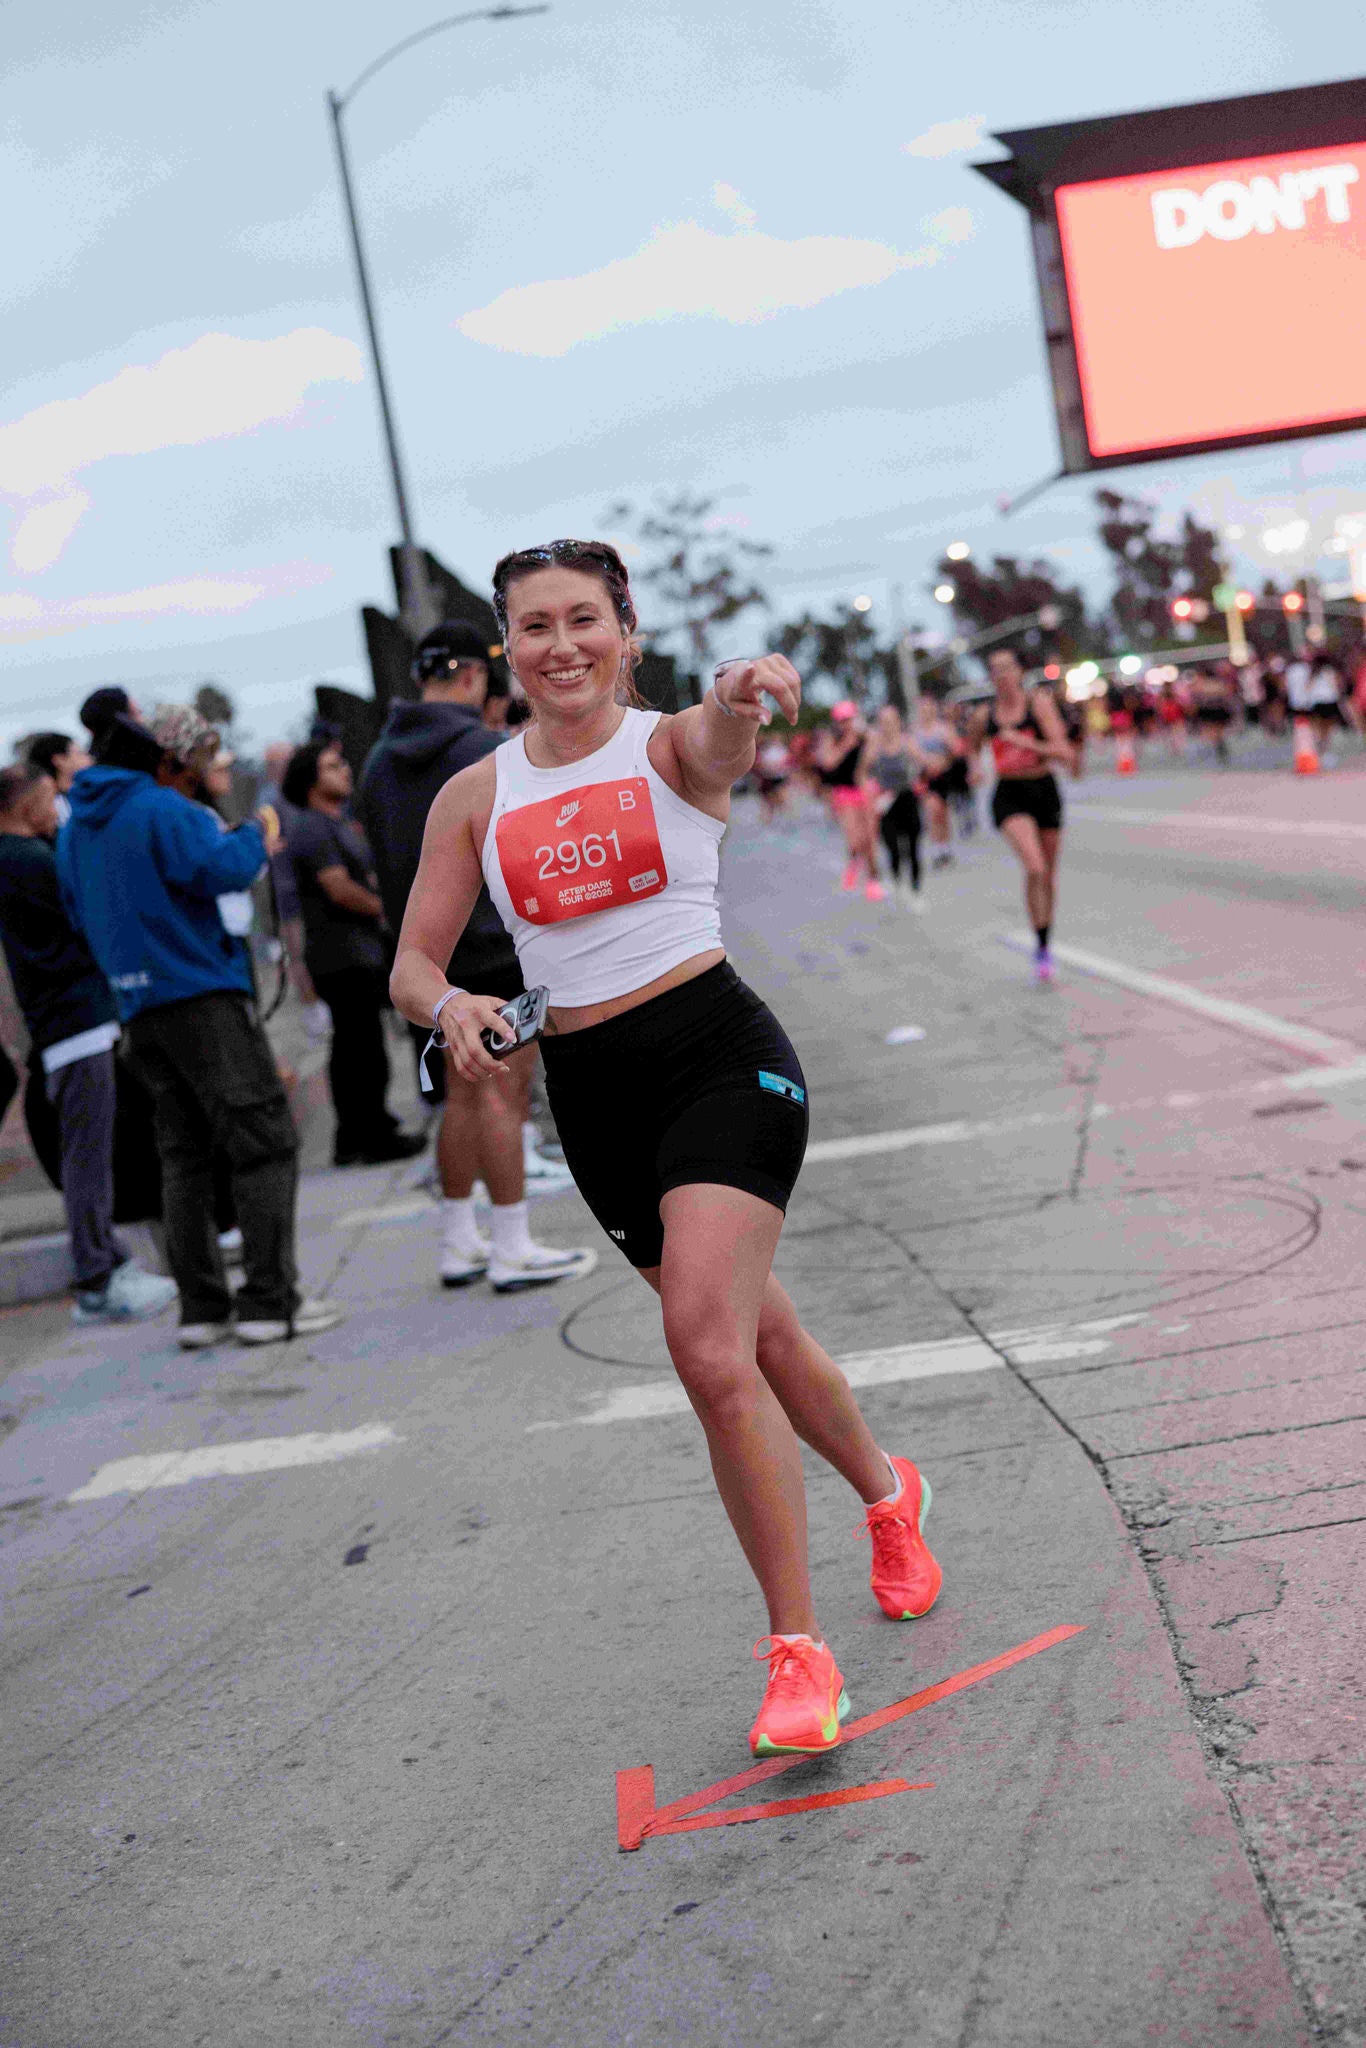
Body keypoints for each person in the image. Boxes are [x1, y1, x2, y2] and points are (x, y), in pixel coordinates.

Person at [391, 538, 941, 1758]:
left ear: (626, 634)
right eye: (534, 625)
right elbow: (413, 964)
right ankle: (890, 1495)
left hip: (719, 1059)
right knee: (761, 1334)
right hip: (592, 1097)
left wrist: (744, 686)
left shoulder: (672, 744)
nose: (561, 645)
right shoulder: (473, 796)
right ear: (507, 650)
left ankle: (797, 1654)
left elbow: (724, 729)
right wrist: (453, 1009)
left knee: (702, 1345)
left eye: (584, 618)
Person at [58, 712, 342, 1348]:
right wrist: (256, 831)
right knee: (263, 1141)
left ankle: (202, 1309)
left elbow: (76, 914)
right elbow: (226, 867)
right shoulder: (163, 809)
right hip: (202, 998)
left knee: (183, 1155)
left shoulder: (78, 828)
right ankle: (270, 1301)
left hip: (136, 1010)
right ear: (165, 762)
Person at [359, 619, 588, 1291]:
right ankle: (513, 1244)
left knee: (459, 1095)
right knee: (504, 1093)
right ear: (472, 676)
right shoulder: (484, 751)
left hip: (421, 958)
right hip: (495, 945)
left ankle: (460, 1241)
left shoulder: (375, 763)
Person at [0, 761, 177, 1325]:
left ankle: (107, 1266)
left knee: (90, 1153)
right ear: (26, 805)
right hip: (74, 1022)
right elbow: (87, 910)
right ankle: (97, 1280)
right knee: (87, 1158)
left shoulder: (21, 857)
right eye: (51, 798)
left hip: (71, 1021)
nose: (58, 809)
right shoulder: (26, 860)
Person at [280, 739, 423, 1168]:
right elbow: (338, 887)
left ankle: (363, 1131)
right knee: (359, 1049)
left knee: (363, 1047)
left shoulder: (336, 822)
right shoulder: (312, 827)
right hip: (340, 957)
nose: (344, 769)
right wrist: (391, 909)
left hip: (359, 954)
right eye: (331, 765)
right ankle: (366, 1136)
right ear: (309, 780)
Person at [966, 647, 1074, 982]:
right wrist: (975, 768)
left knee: (1048, 875)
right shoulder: (985, 715)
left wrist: (1027, 745)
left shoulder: (1037, 704)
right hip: (1009, 794)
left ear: (1018, 672)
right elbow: (970, 747)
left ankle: (1043, 944)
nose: (1002, 675)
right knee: (1034, 865)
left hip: (1043, 789)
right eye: (995, 670)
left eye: (1007, 668)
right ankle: (1040, 944)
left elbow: (1064, 752)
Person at [813, 703, 884, 900]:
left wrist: (864, 738)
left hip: (866, 789)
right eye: (842, 721)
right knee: (855, 839)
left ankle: (873, 880)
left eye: (849, 719)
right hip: (845, 792)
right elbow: (828, 763)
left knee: (869, 839)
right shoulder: (833, 739)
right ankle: (854, 860)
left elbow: (872, 756)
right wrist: (846, 745)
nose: (846, 724)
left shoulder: (866, 735)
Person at [858, 703, 923, 907]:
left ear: (898, 722)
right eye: (883, 722)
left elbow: (922, 763)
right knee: (893, 846)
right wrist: (868, 790)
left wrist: (923, 777)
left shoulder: (906, 742)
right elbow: (861, 773)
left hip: (907, 797)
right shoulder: (874, 746)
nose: (887, 725)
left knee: (912, 846)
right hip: (885, 802)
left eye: (891, 721)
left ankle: (915, 888)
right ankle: (896, 880)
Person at [21, 732, 91, 828]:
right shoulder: (47, 805)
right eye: (80, 754)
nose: (89, 758)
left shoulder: (77, 795)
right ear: (59, 760)